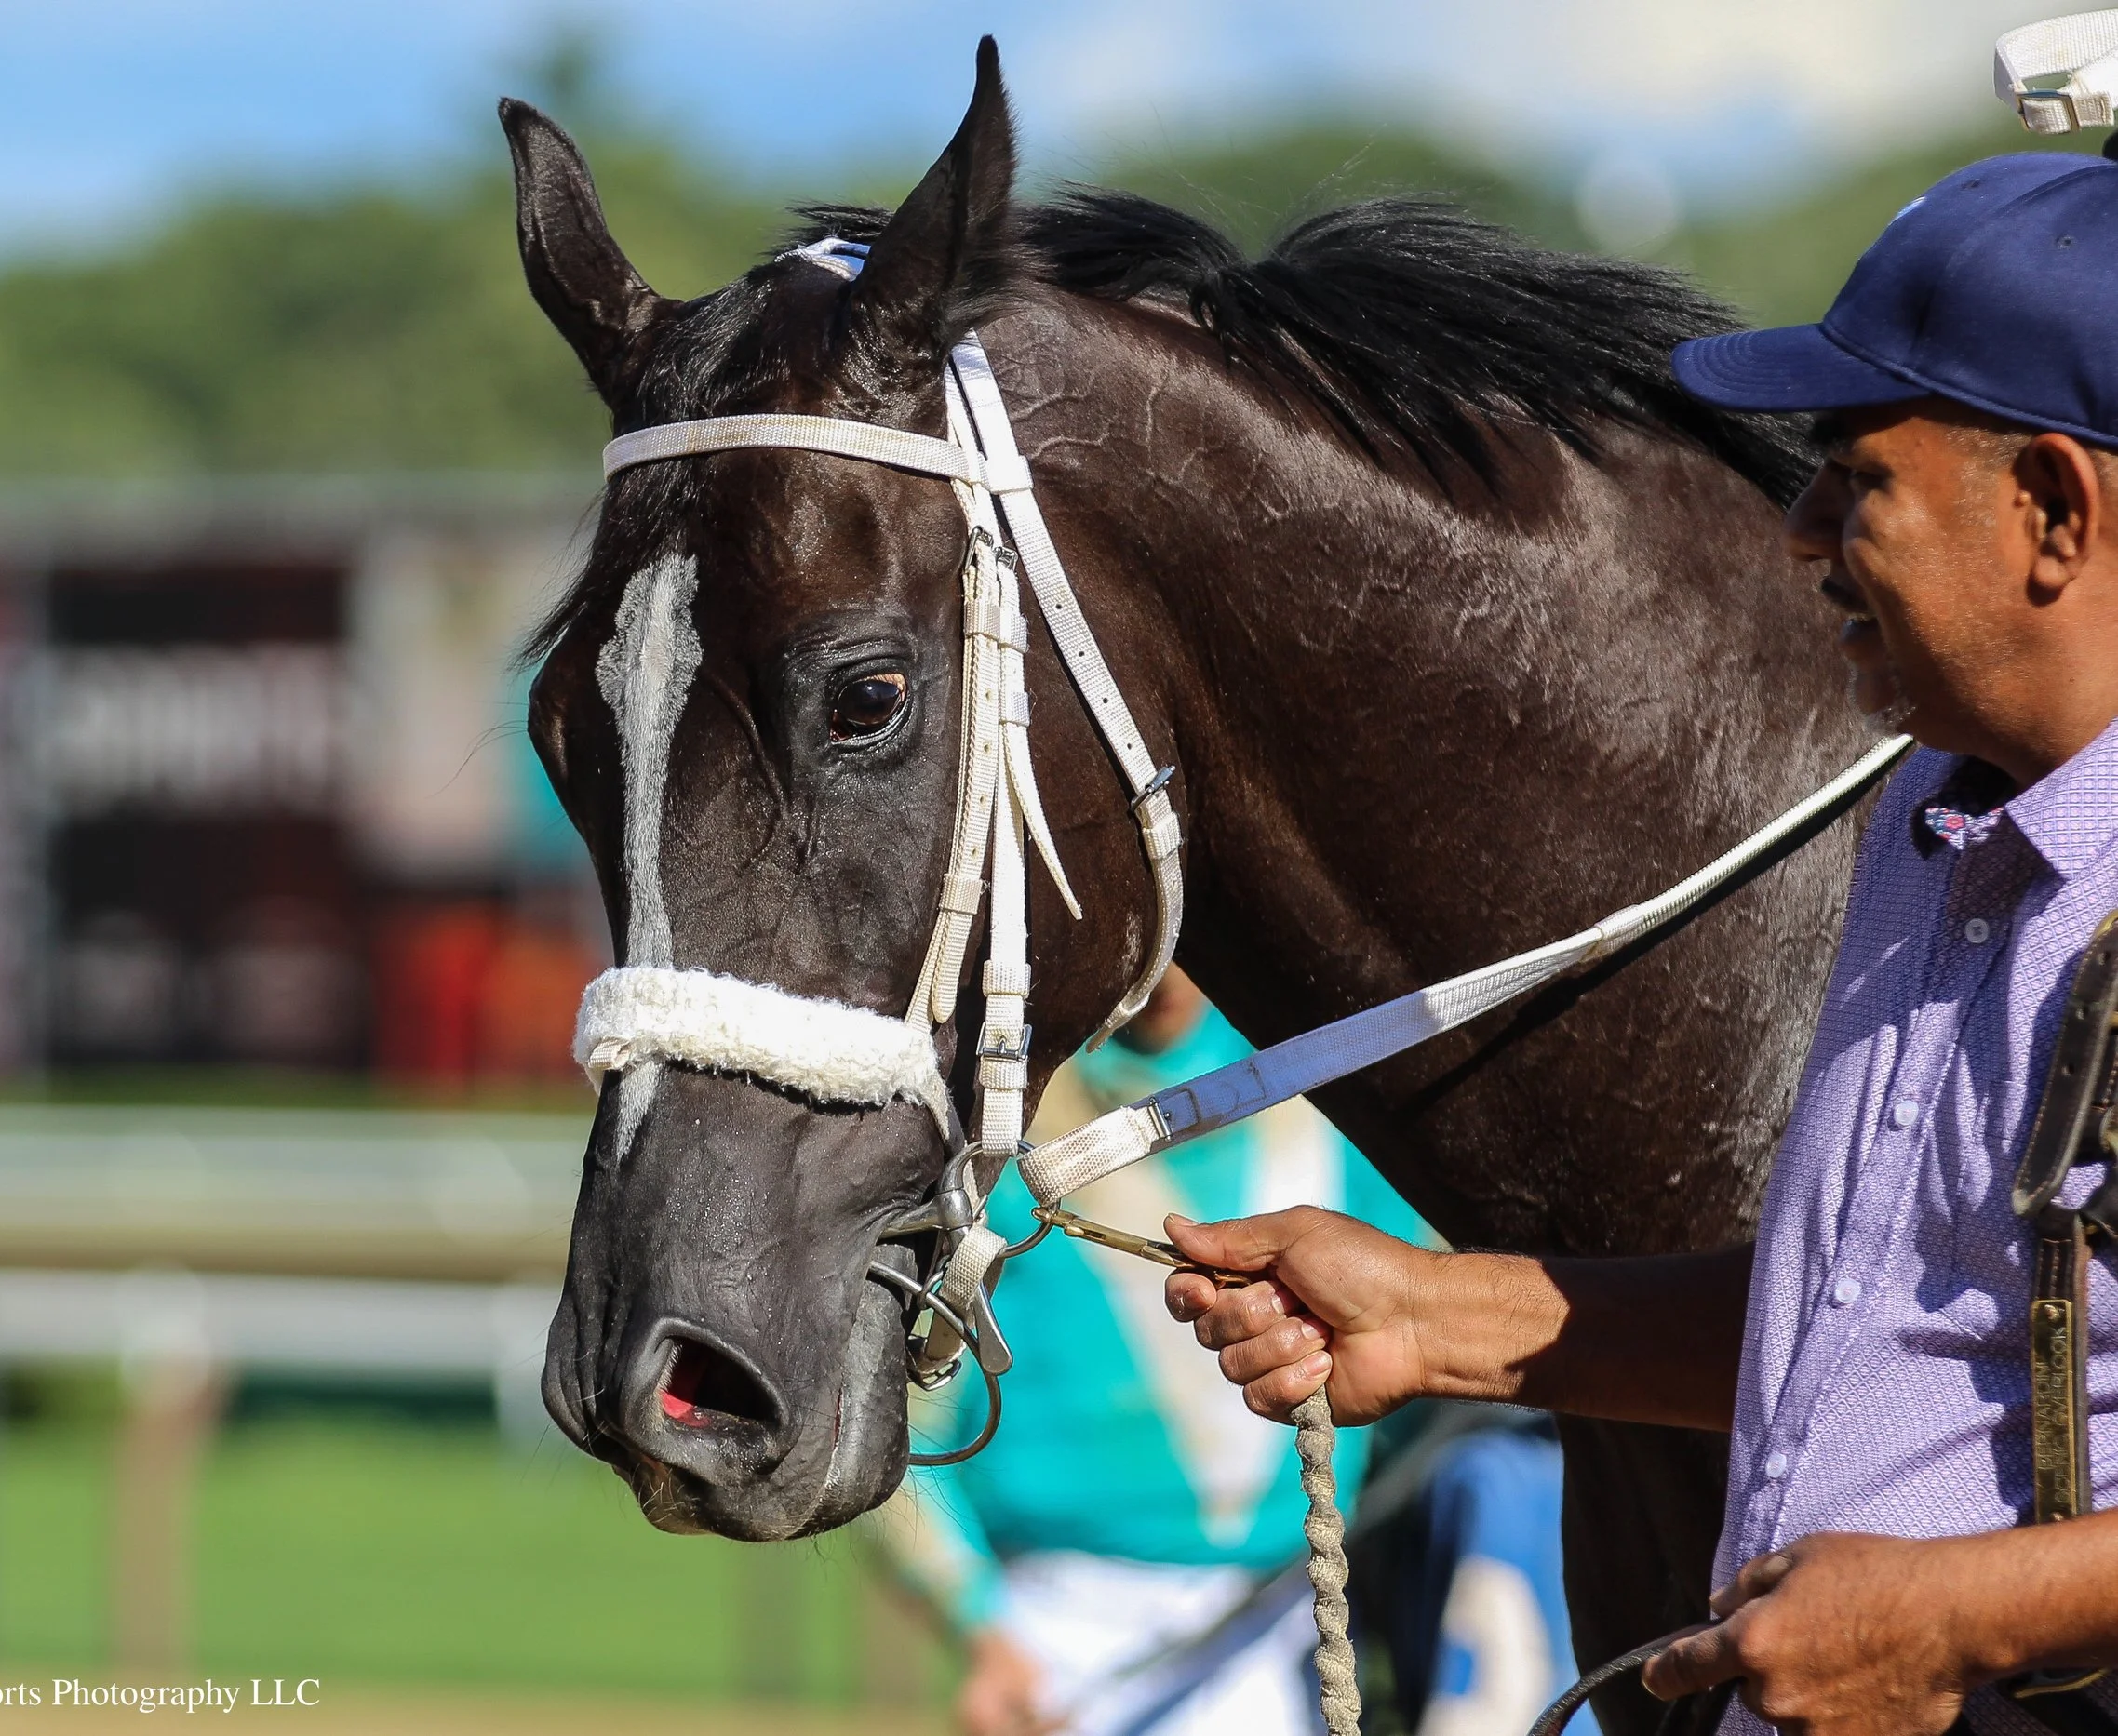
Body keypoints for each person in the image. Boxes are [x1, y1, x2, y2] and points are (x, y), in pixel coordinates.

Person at [1164, 149, 2118, 1736]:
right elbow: (1889, 1320)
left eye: (1859, 476)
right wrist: (1440, 1317)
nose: (1801, 528)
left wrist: (1961, 1617)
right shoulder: (1929, 815)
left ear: (2053, 512)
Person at [872, 968, 1594, 1736]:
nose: (1172, 964)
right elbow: (902, 1433)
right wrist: (984, 1629)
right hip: (1056, 1643)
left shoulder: (1328, 1099)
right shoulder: (1002, 1131)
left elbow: (1445, 1344)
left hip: (1290, 1623)